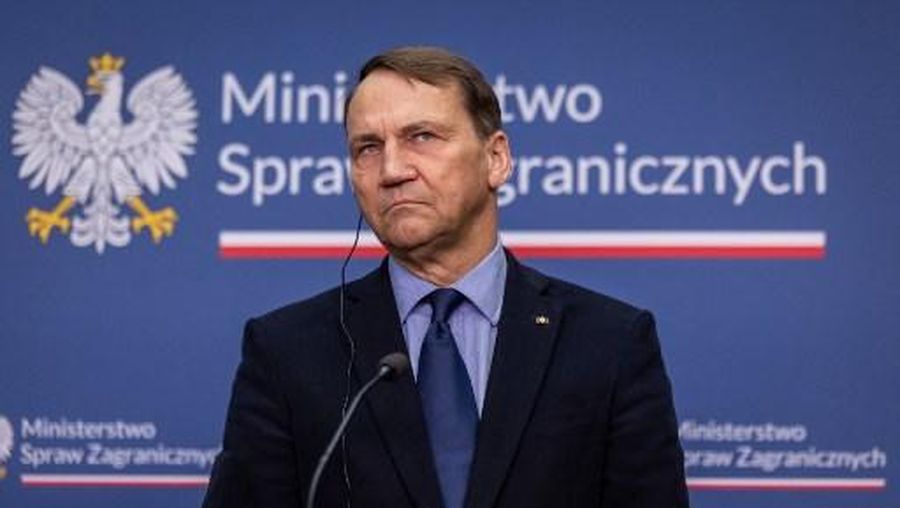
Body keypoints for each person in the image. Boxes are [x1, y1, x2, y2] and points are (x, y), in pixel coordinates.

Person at [203, 46, 689, 508]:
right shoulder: (287, 351)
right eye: (367, 148)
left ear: (496, 159)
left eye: (422, 137)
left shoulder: (610, 342)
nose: (392, 169)